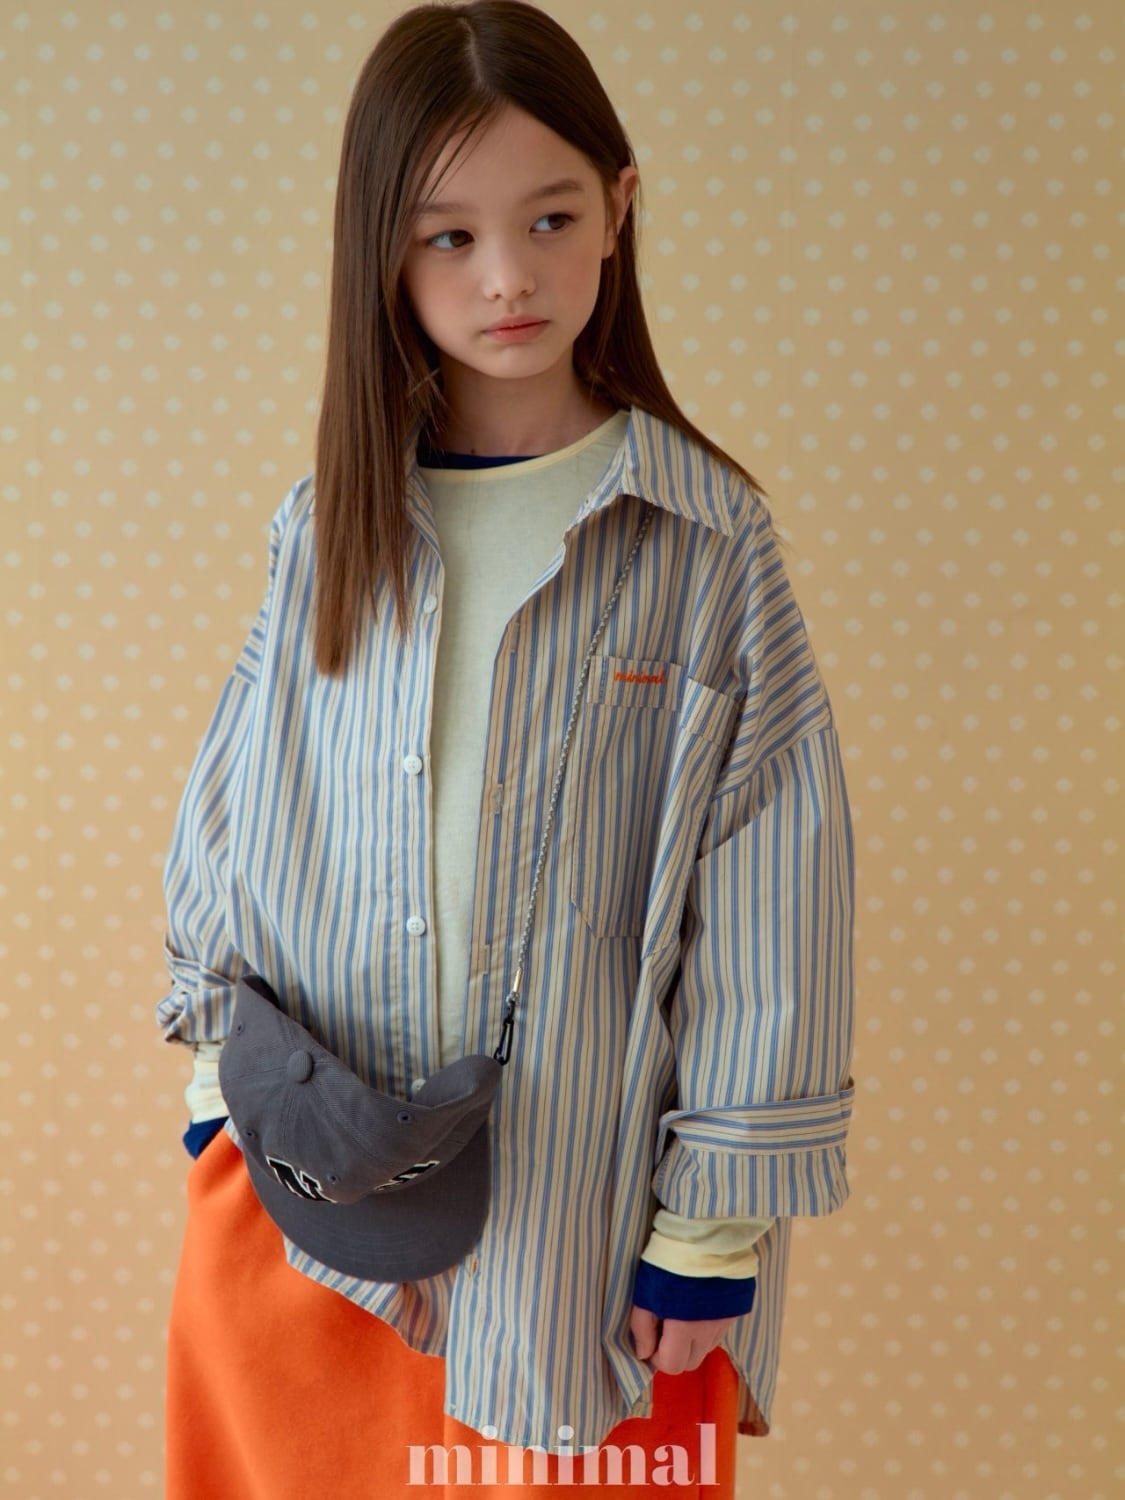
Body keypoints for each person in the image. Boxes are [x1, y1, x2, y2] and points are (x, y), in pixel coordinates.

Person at [156, 2, 857, 1495]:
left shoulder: (705, 546)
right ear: (382, 254)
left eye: (548, 219)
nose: (507, 276)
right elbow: (237, 808)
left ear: (619, 208)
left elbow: (774, 899)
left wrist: (710, 1228)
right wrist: (216, 1084)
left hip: (581, 1254)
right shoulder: (323, 532)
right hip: (304, 1204)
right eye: (448, 237)